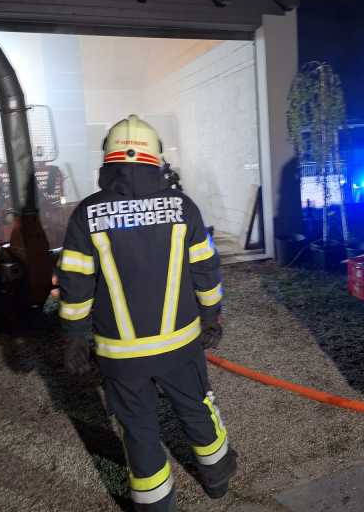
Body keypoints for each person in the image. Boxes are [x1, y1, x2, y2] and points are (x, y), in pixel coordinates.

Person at [55, 114, 236, 511]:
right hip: (181, 346)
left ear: (108, 159)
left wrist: (74, 337)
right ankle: (218, 479)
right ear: (158, 159)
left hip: (121, 355)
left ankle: (156, 505)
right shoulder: (183, 208)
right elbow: (205, 270)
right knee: (196, 408)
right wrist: (211, 316)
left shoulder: (87, 214)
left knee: (137, 430)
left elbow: (75, 282)